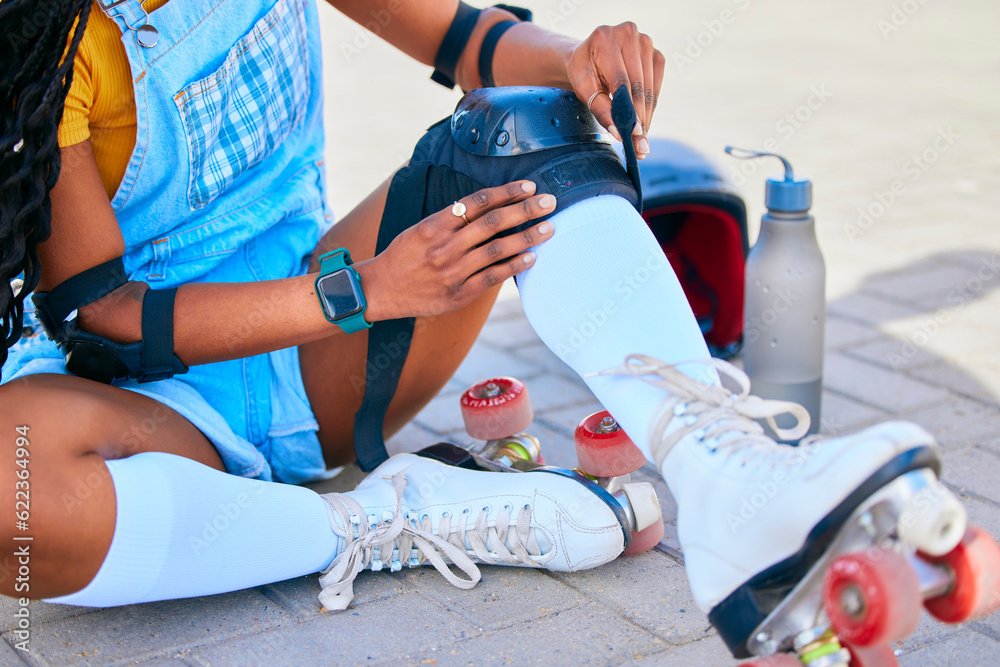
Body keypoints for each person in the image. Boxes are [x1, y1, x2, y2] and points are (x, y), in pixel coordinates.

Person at [0, 0, 979, 661]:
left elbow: (467, 38)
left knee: (527, 113)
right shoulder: (46, 34)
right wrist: (364, 291)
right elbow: (105, 314)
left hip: (321, 360)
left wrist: (575, 57)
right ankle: (380, 520)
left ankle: (723, 476)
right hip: (144, 403)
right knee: (15, 496)